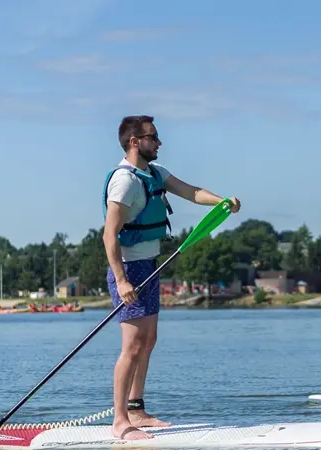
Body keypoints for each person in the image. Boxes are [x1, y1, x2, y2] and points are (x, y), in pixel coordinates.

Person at [102, 115, 241, 440]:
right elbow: (110, 235)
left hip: (150, 266)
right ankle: (120, 422)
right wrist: (121, 281)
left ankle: (137, 409)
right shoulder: (124, 182)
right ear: (134, 141)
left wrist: (221, 201)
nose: (159, 142)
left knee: (148, 342)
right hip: (129, 271)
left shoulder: (155, 174)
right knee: (131, 346)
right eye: (153, 137)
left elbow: (191, 192)